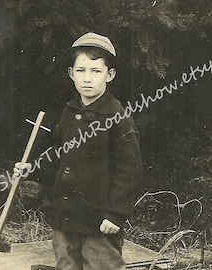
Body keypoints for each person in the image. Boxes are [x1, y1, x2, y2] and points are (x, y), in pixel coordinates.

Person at [15, 32, 142, 270]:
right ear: (71, 73)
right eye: (81, 70)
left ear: (110, 74)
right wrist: (32, 168)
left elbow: (130, 171)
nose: (87, 78)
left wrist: (116, 214)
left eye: (96, 71)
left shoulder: (117, 117)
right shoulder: (69, 112)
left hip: (99, 221)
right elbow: (58, 156)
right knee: (66, 265)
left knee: (102, 266)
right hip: (65, 216)